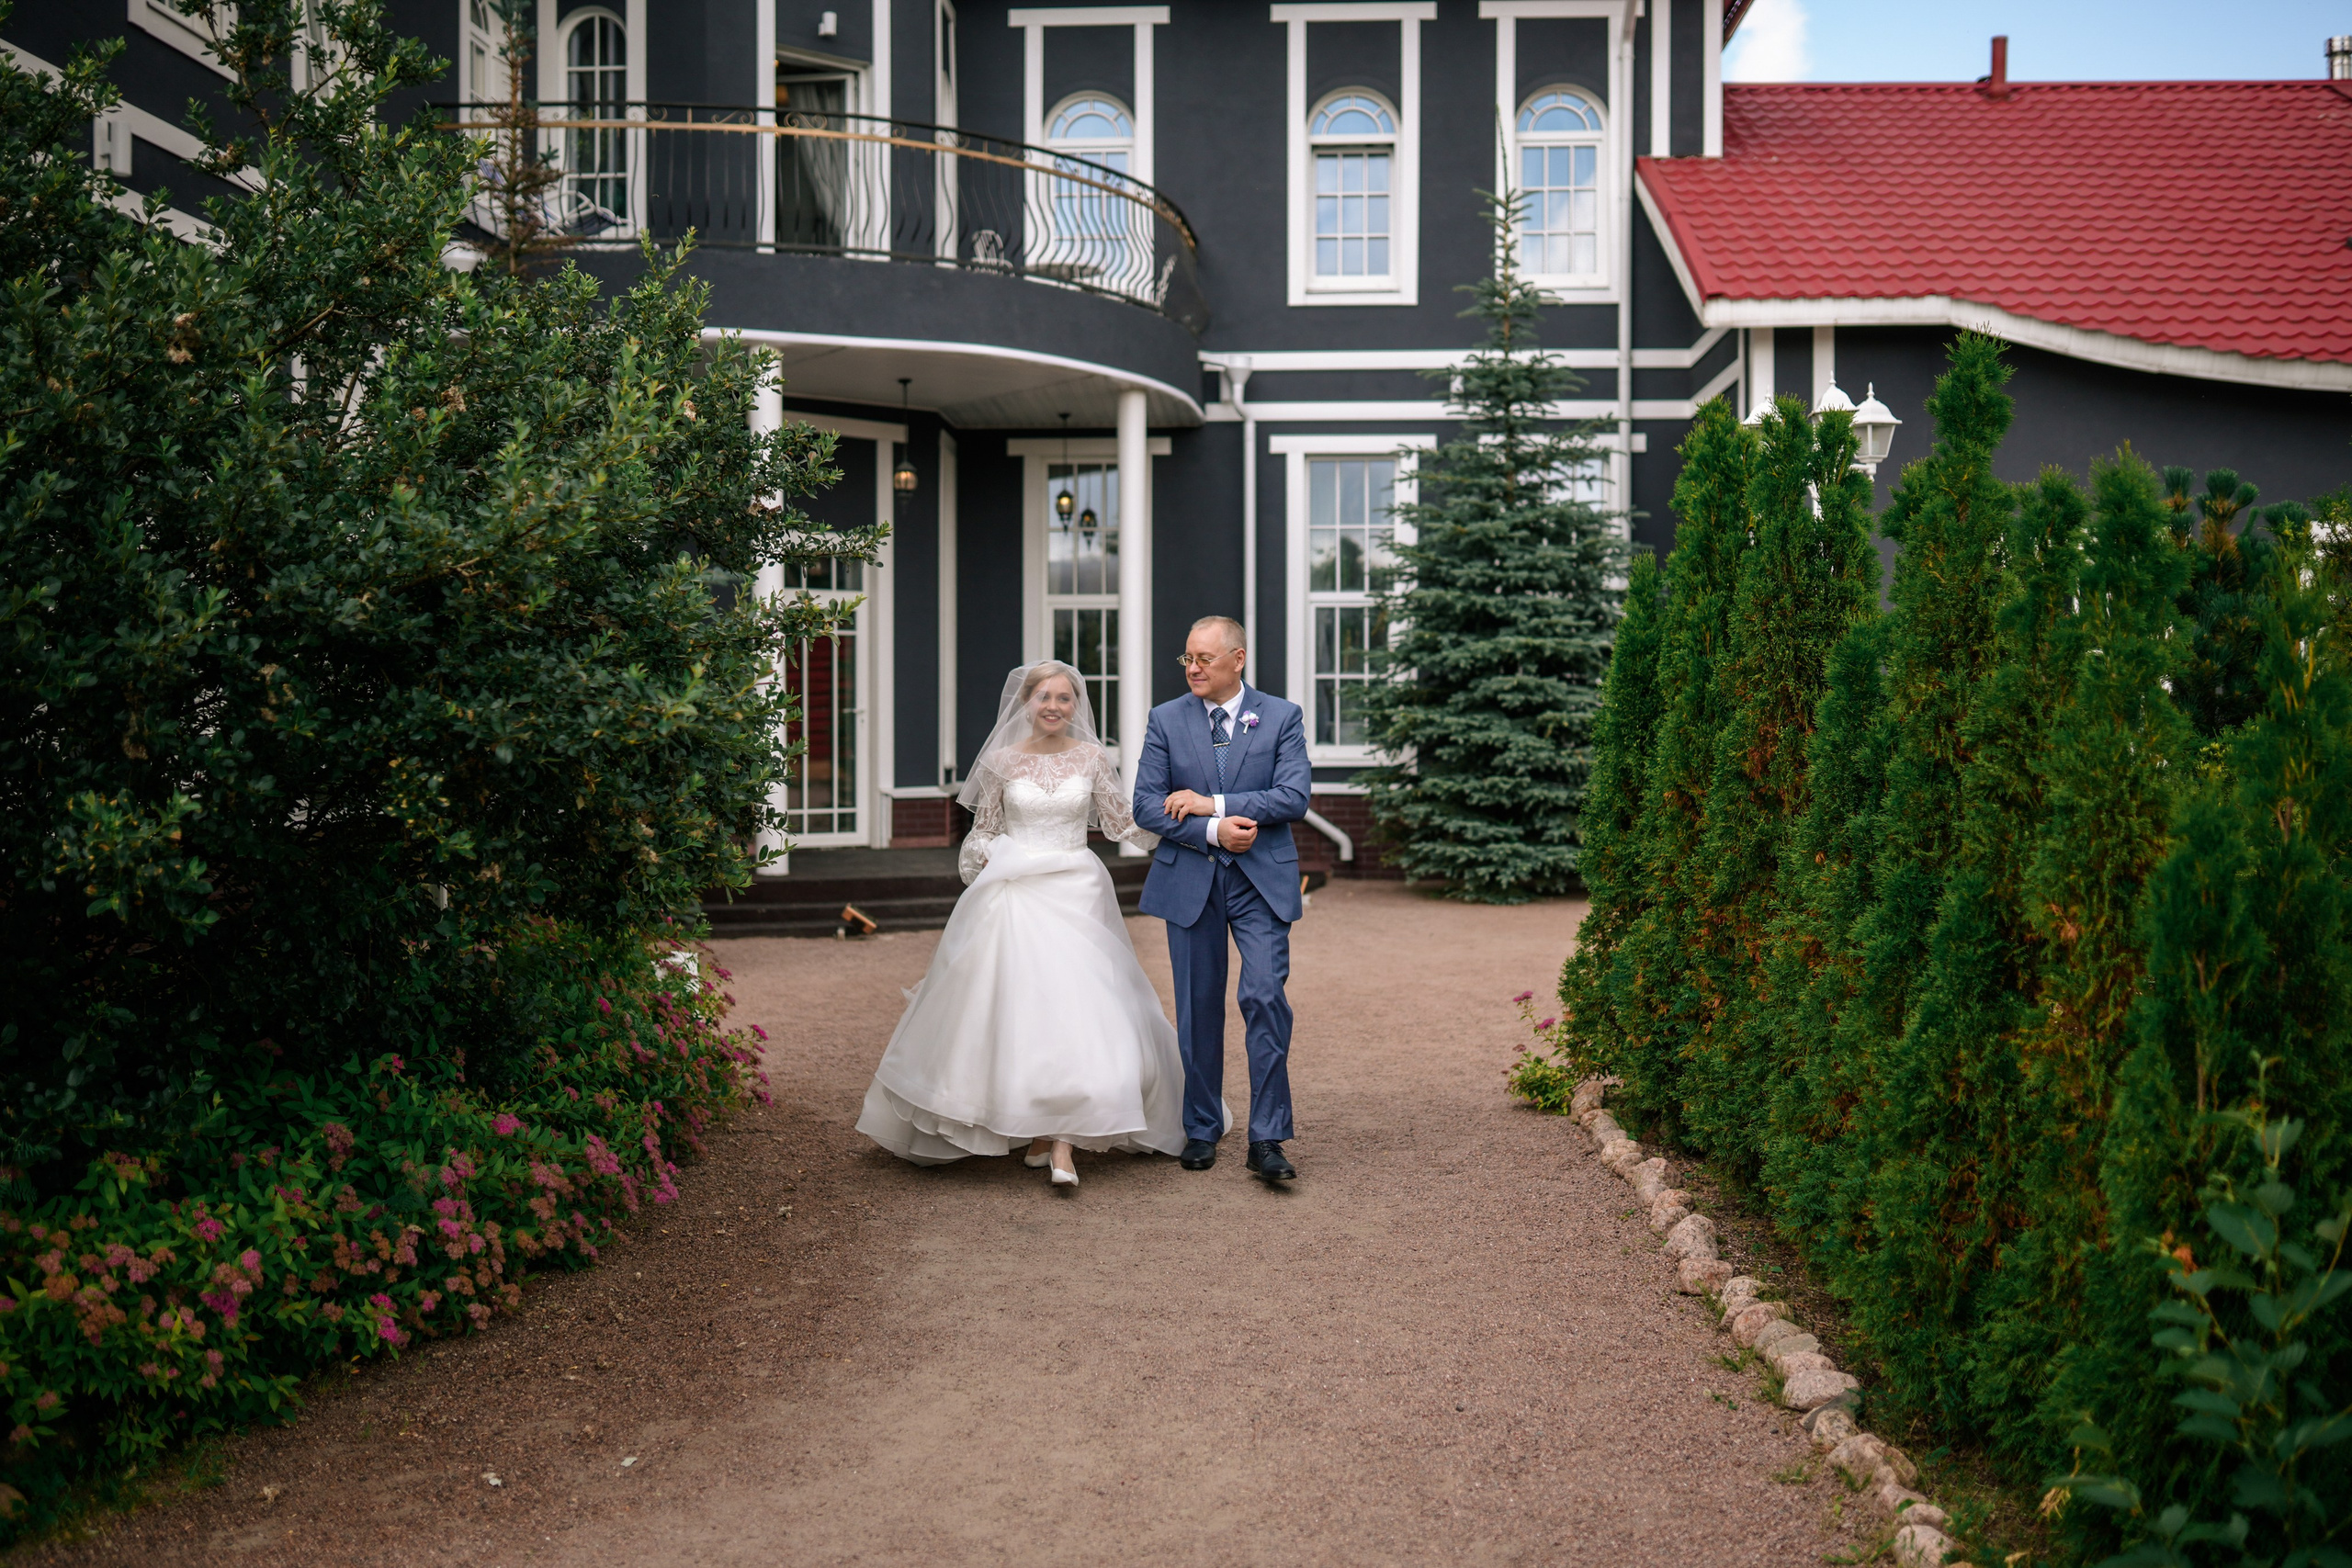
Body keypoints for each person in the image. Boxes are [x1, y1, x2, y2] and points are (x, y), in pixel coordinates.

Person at [855, 660, 1199, 1187]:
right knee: (1025, 1012)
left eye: (1065, 698)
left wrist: (1183, 822)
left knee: (1081, 1006)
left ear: (1076, 706)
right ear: (1026, 703)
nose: (1055, 706)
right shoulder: (1000, 761)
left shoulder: (1091, 758)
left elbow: (1121, 823)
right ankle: (1041, 1136)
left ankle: (1061, 1142)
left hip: (1077, 891)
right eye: (1045, 697)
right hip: (1016, 895)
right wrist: (985, 863)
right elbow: (981, 833)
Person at [1130, 615, 1312, 1183]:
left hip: (1261, 881)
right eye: (1187, 658)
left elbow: (1293, 795)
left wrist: (1212, 805)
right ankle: (1202, 1127)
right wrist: (1214, 833)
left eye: (1205, 658)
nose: (1193, 668)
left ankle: (1268, 1138)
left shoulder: (1281, 716)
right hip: (1191, 879)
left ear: (1238, 660)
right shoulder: (1165, 719)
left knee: (1263, 996)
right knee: (1197, 1008)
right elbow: (1146, 806)